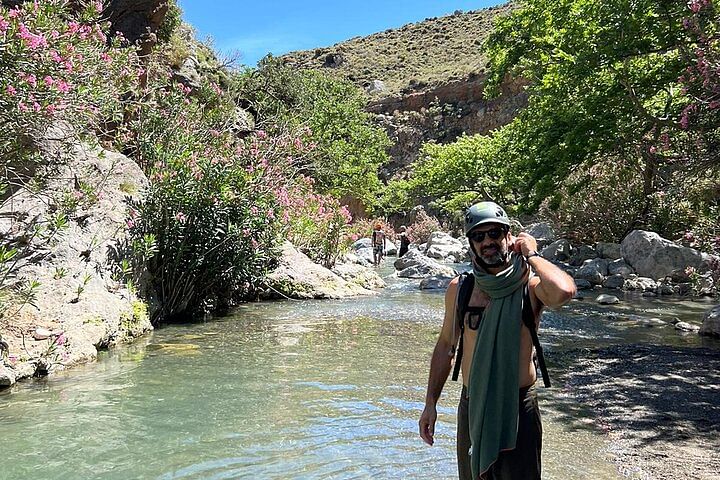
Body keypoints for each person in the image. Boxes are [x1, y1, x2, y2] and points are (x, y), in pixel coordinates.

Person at [419, 201, 576, 480]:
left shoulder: (530, 285)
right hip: (473, 404)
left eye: (494, 233)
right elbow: (446, 347)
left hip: (518, 407)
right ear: (470, 243)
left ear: (508, 236)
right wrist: (430, 403)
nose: (487, 241)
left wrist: (532, 254)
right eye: (478, 236)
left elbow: (564, 291)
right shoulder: (462, 289)